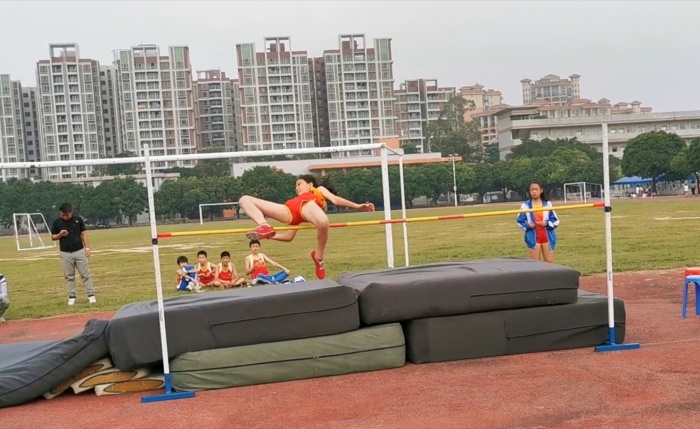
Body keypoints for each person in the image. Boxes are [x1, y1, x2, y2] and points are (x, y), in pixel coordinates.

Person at [239, 174, 374, 279]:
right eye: (295, 186)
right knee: (244, 199)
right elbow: (288, 237)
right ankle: (264, 226)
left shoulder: (318, 190)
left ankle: (319, 257)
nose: (296, 187)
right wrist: (270, 236)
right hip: (289, 210)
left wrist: (357, 206)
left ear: (310, 184)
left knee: (323, 222)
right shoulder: (297, 199)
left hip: (307, 207)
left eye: (299, 184)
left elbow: (335, 199)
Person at [51, 203, 96, 306]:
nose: (64, 217)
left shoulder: (78, 220)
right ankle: (72, 297)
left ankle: (91, 295)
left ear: (71, 212)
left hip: (79, 251)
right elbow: (53, 237)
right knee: (69, 276)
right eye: (62, 215)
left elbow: (84, 234)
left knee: (85, 275)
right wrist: (60, 235)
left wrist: (87, 248)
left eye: (66, 215)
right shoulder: (57, 222)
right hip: (65, 253)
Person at [516, 182, 560, 263]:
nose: (534, 191)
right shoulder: (525, 205)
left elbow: (555, 220)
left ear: (541, 190)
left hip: (547, 237)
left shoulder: (547, 204)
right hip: (533, 238)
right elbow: (520, 221)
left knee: (549, 262)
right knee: (535, 264)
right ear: (529, 192)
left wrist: (547, 223)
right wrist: (528, 226)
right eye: (532, 190)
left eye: (536, 189)